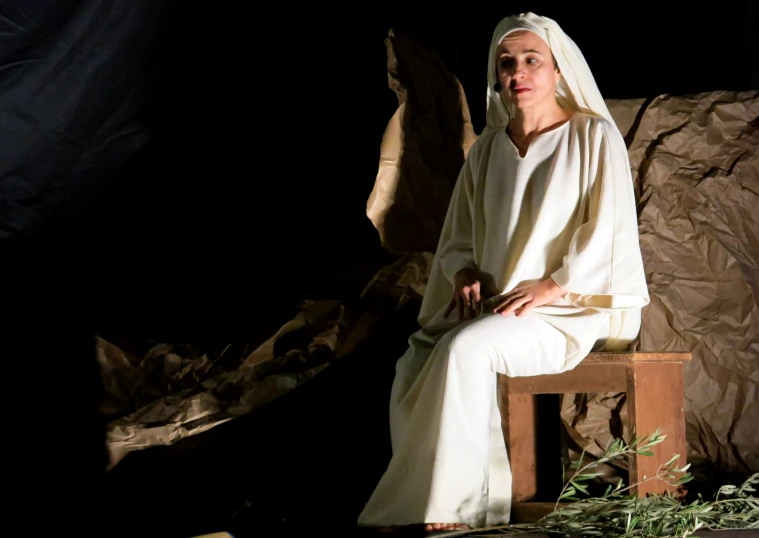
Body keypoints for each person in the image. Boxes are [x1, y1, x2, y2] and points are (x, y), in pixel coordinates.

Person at [357, 12, 650, 534]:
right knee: (413, 362)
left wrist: (555, 283)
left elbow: (609, 231)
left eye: (532, 60)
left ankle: (458, 508)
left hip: (569, 310)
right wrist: (465, 269)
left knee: (466, 351)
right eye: (507, 62)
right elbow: (460, 236)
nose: (518, 72)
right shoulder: (489, 149)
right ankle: (421, 500)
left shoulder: (592, 137)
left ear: (558, 71)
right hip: (499, 307)